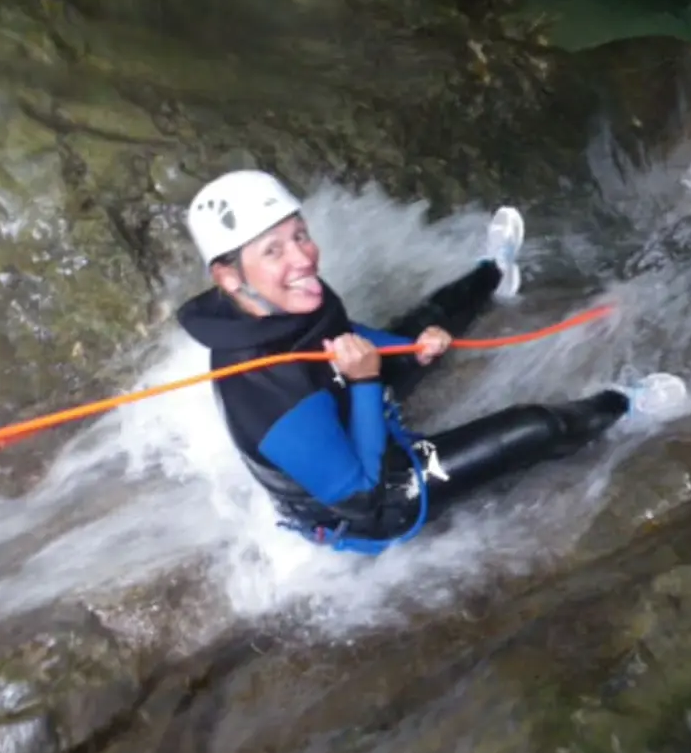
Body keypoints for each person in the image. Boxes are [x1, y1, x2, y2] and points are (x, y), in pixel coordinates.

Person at [175, 169, 633, 555]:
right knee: (536, 426)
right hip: (374, 504)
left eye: (300, 235)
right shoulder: (266, 398)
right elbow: (365, 499)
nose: (302, 258)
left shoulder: (282, 298)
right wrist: (366, 384)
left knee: (424, 330)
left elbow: (343, 332)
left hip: (344, 401)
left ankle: (493, 273)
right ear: (230, 277)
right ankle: (628, 403)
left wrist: (406, 351)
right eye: (272, 250)